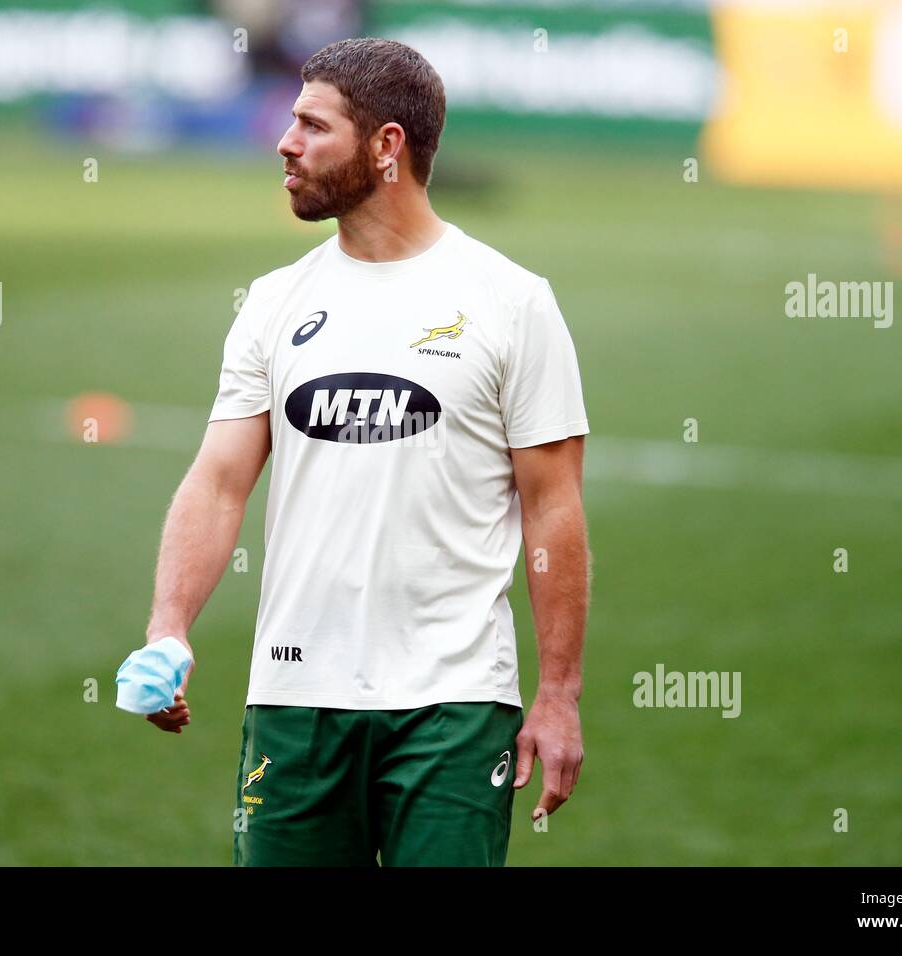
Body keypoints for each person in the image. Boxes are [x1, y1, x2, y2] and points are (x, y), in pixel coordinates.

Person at [141, 36, 590, 866]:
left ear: (386, 146)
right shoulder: (275, 303)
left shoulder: (513, 302)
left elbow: (553, 505)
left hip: (454, 705)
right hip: (295, 697)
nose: (285, 142)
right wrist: (170, 628)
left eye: (313, 125)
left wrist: (557, 694)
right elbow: (217, 484)